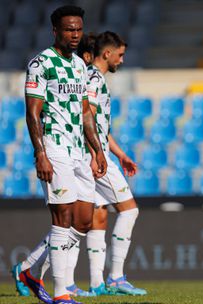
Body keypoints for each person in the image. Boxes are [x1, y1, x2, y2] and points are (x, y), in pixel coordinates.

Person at [14, 5, 107, 304]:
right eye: (69, 29)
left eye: (78, 29)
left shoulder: (80, 66)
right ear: (55, 30)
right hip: (54, 148)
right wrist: (40, 153)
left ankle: (29, 269)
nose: (75, 34)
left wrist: (97, 149)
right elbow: (32, 112)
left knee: (82, 221)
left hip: (79, 150)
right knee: (62, 217)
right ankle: (61, 293)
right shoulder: (41, 63)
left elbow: (85, 112)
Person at [82, 31, 146, 296]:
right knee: (129, 210)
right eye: (120, 54)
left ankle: (97, 283)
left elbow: (99, 125)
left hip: (95, 152)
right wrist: (96, 154)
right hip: (94, 156)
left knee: (98, 215)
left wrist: (120, 154)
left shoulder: (94, 78)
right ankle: (116, 278)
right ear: (106, 54)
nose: (122, 60)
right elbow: (86, 118)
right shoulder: (94, 78)